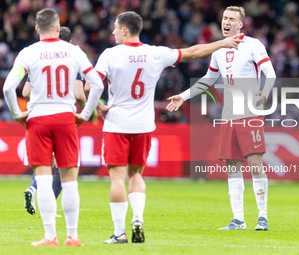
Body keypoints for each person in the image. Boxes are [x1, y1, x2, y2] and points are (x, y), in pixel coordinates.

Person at [92, 11, 243, 244]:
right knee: (136, 175)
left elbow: (91, 84)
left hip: (117, 123)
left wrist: (98, 107)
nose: (112, 32)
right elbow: (193, 52)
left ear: (124, 30)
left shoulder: (109, 55)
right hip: (143, 125)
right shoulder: (156, 53)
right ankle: (138, 219)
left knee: (117, 178)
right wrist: (223, 43)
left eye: (115, 28)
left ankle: (119, 232)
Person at [167, 6, 276, 231]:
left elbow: (270, 73)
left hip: (250, 113)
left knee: (255, 163)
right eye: (224, 18)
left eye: (231, 19)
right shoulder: (218, 50)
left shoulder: (253, 45)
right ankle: (238, 219)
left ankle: (262, 216)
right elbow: (208, 79)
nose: (226, 22)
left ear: (240, 24)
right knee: (232, 165)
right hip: (229, 115)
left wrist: (264, 93)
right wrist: (184, 96)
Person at [3, 8, 103, 246]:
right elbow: (96, 84)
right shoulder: (74, 51)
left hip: (38, 119)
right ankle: (73, 236)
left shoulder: (28, 53)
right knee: (69, 180)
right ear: (58, 28)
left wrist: (18, 114)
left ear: (37, 28)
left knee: (44, 179)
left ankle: (50, 237)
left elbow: (8, 88)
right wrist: (86, 114)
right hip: (66, 118)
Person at [22, 26, 86, 216]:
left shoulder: (37, 56)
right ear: (71, 43)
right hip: (63, 116)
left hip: (38, 116)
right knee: (66, 165)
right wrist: (88, 108)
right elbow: (79, 93)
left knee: (44, 162)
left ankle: (33, 190)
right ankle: (52, 209)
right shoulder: (74, 58)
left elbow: (24, 92)